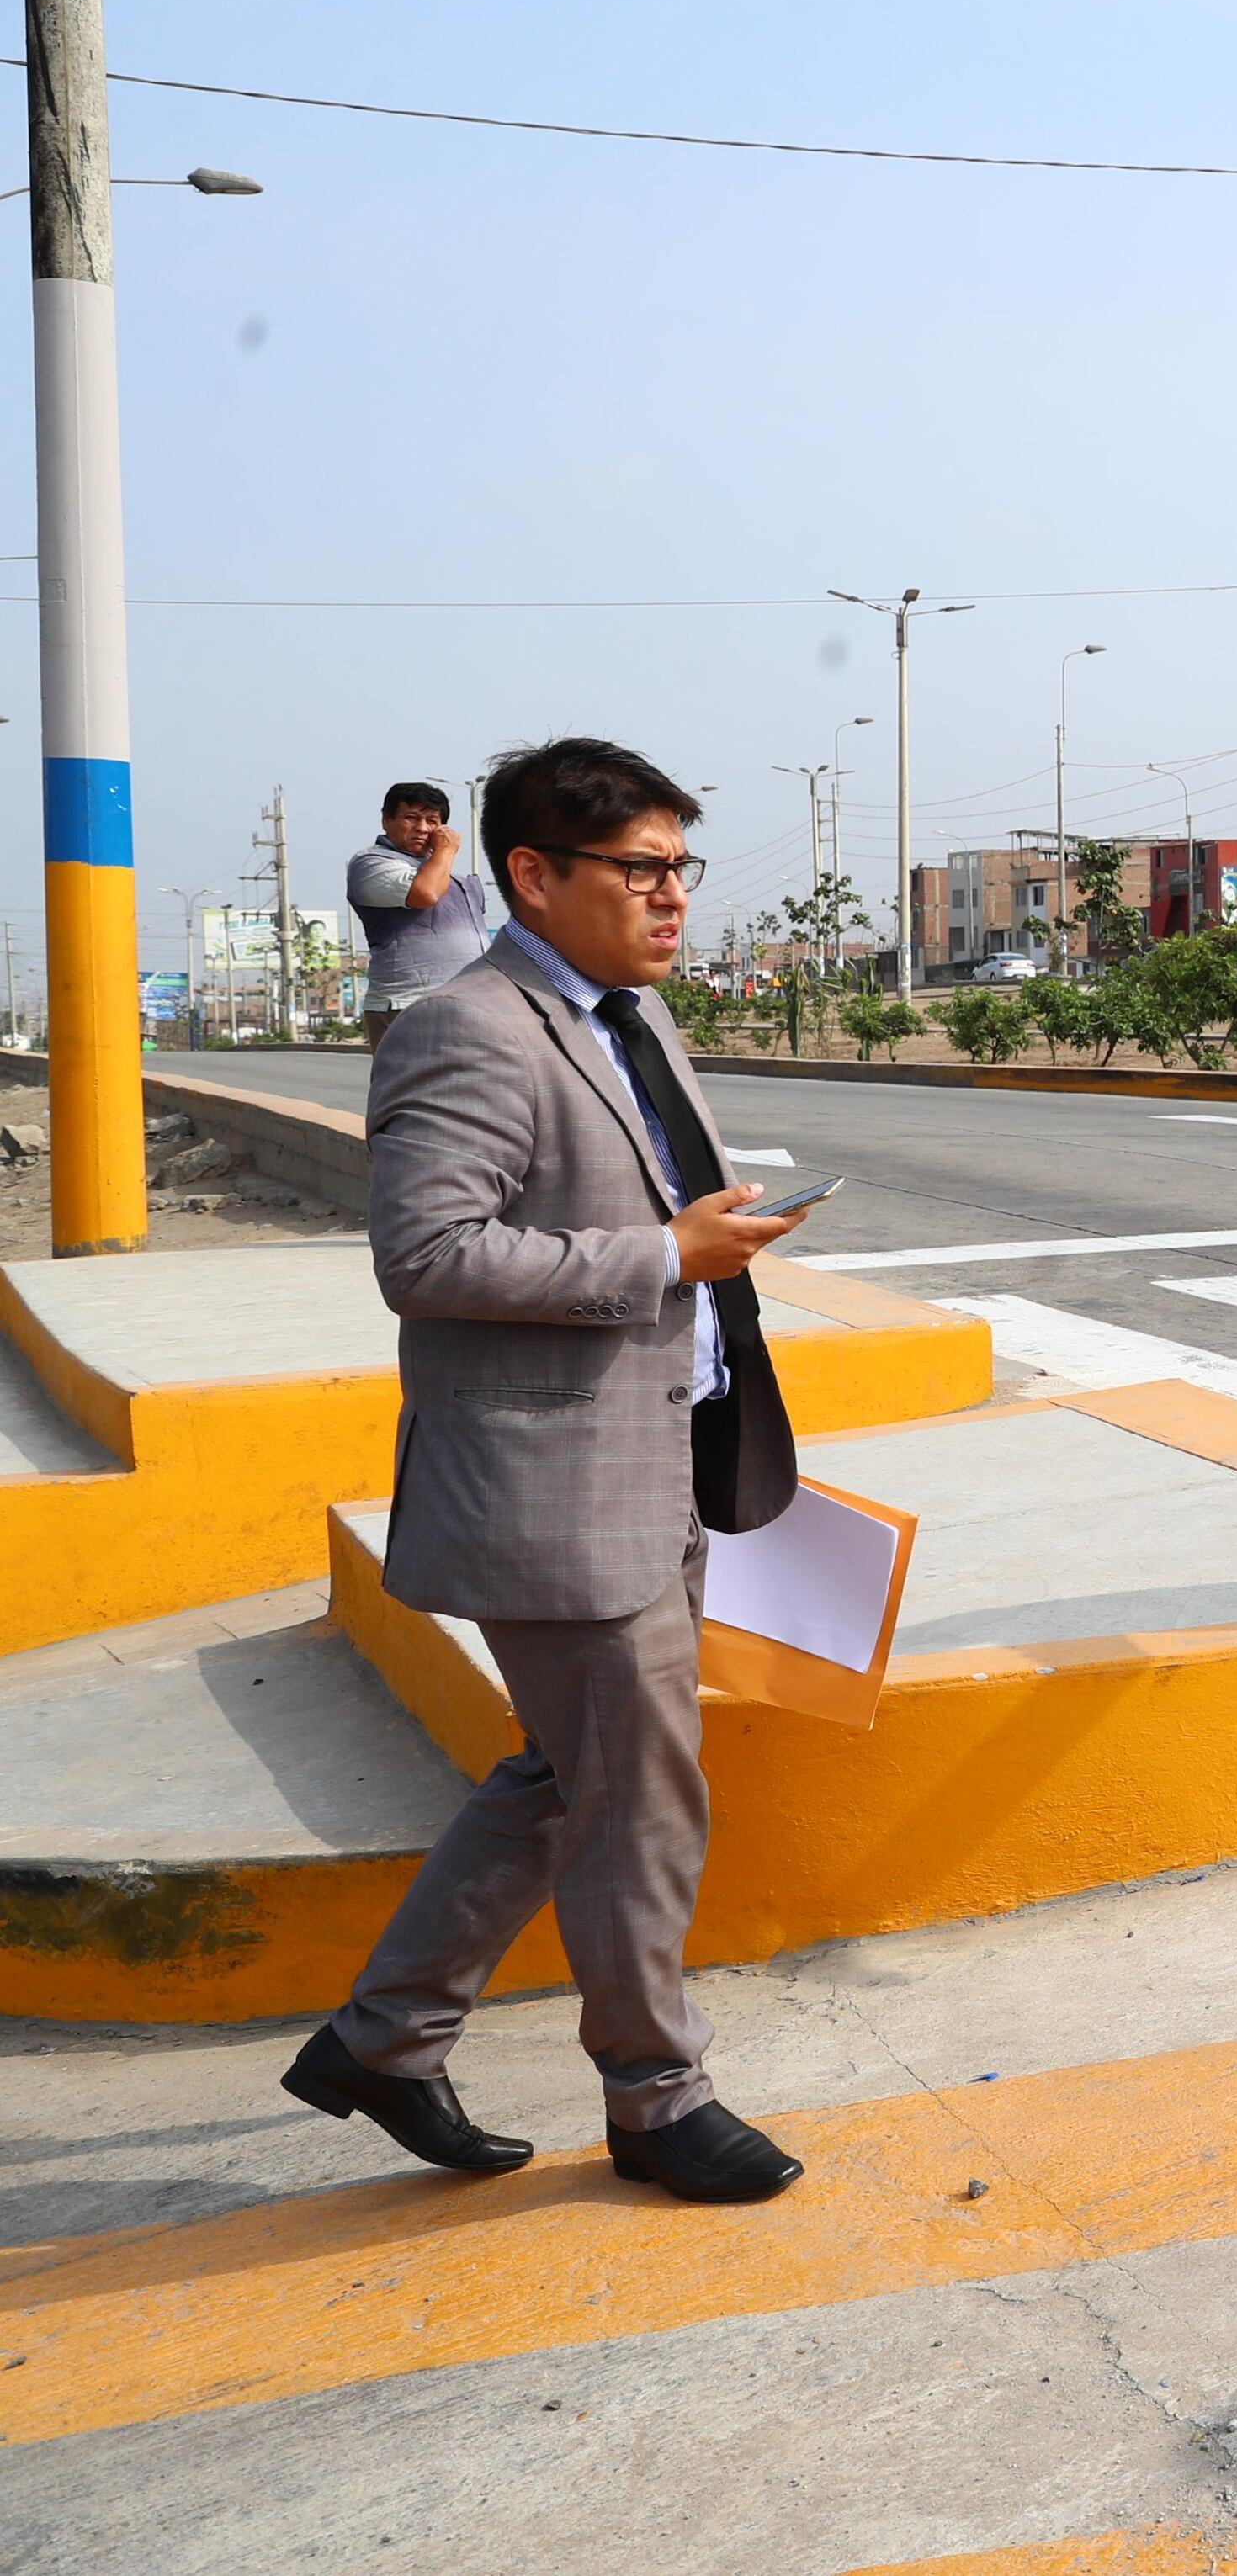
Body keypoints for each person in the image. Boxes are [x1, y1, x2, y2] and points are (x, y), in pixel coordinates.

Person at [281, 737, 824, 2204]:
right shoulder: (466, 1029)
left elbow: (650, 1215)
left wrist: (706, 1239)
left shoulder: (631, 1019)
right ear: (531, 874)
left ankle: (385, 2039)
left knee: (567, 1772)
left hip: (662, 1454)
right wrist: (665, 1253)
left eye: (679, 868)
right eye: (640, 870)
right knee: (637, 1798)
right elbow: (427, 1254)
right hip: (560, 1489)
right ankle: (657, 2096)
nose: (672, 898)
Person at [347, 781, 489, 1049]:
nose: (423, 828)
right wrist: (446, 849)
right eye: (411, 818)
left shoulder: (448, 876)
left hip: (465, 1003)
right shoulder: (372, 863)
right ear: (387, 820)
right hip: (409, 1004)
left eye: (432, 821)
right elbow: (426, 893)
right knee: (416, 1077)